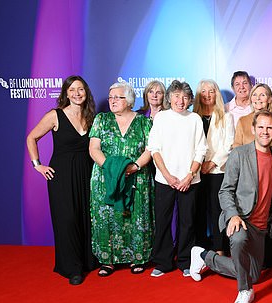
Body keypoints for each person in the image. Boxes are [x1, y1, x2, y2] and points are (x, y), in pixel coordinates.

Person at [190, 111, 272, 303]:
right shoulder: (239, 154)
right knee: (238, 242)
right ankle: (244, 290)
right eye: (261, 127)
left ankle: (204, 256)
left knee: (253, 274)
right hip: (242, 218)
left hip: (261, 225)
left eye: (269, 128)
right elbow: (225, 190)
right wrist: (233, 215)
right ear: (253, 129)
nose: (265, 131)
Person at [25, 75, 97, 285]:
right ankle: (72, 268)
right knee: (67, 220)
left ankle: (87, 261)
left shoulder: (91, 116)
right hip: (62, 176)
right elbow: (32, 137)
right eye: (72, 89)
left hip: (87, 173)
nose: (77, 93)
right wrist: (37, 165)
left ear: (86, 93)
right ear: (66, 93)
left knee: (86, 217)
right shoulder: (55, 116)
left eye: (81, 89)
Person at [89, 82, 154, 276]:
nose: (113, 101)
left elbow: (151, 149)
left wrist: (135, 166)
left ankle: (138, 258)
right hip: (106, 177)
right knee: (107, 216)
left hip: (137, 177)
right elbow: (94, 148)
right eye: (110, 98)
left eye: (118, 97)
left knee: (137, 216)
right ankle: (107, 260)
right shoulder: (101, 119)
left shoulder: (144, 122)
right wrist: (112, 169)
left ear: (130, 101)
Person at [147, 80, 207, 278]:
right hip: (165, 179)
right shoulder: (161, 118)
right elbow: (154, 148)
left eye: (185, 97)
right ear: (169, 98)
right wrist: (167, 175)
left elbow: (201, 150)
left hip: (190, 180)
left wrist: (190, 175)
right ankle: (163, 262)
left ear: (190, 99)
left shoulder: (195, 119)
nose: (180, 101)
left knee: (187, 222)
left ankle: (185, 261)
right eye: (176, 96)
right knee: (163, 220)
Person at [193, 79, 235, 253]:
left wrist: (211, 163)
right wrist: (198, 165)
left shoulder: (226, 117)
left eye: (211, 91)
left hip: (217, 170)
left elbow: (229, 144)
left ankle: (219, 248)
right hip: (195, 171)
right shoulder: (192, 118)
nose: (207, 95)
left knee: (218, 211)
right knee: (198, 211)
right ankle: (199, 249)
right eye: (203, 91)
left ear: (216, 94)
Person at [233, 83, 272, 174]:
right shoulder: (242, 121)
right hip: (247, 174)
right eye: (254, 94)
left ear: (270, 99)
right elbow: (236, 149)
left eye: (262, 95)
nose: (258, 98)